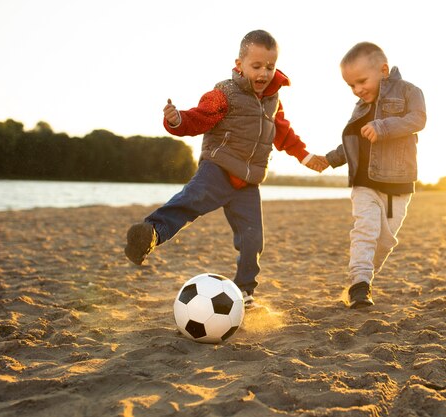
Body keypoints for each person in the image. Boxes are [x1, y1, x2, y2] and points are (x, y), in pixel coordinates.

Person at [125, 29, 327, 308]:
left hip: (248, 182)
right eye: (256, 66)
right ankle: (150, 234)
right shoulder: (224, 93)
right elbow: (199, 118)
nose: (264, 73)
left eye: (270, 67)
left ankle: (245, 291)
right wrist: (177, 120)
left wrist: (304, 156)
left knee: (253, 239)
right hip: (217, 169)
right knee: (188, 203)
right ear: (239, 65)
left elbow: (282, 132)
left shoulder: (272, 100)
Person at [321, 42, 427, 308]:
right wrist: (329, 160)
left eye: (361, 81)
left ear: (382, 69)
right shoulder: (360, 107)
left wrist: (384, 126)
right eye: (351, 86)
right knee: (365, 230)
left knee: (386, 239)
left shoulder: (409, 92)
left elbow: (418, 120)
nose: (357, 90)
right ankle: (360, 284)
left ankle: (365, 277)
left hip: (398, 182)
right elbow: (352, 141)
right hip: (364, 182)